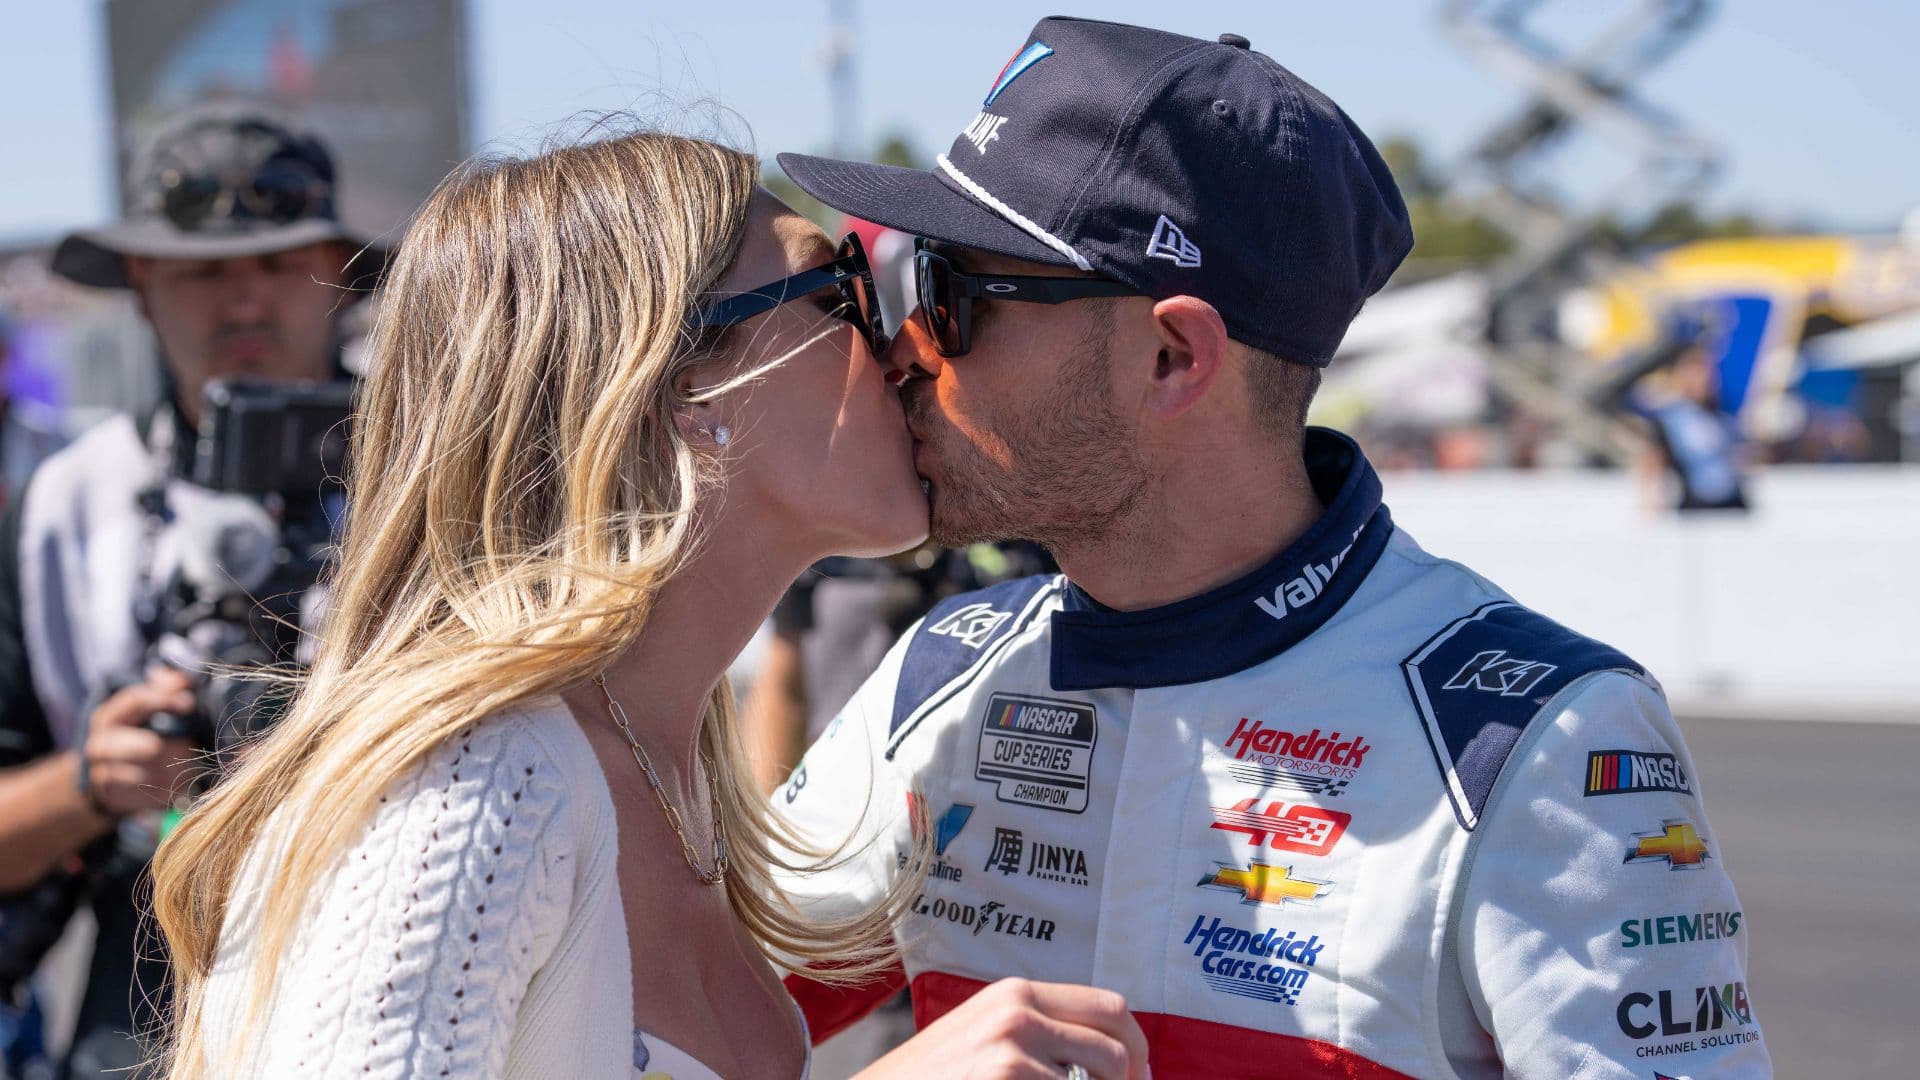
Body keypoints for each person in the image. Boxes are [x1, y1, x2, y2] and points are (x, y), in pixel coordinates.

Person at [770, 17, 1770, 1078]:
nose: (899, 348)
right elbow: (635, 1035)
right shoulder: (943, 675)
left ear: (1170, 355)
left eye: (952, 295)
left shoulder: (1535, 737)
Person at [148, 129, 1149, 1080]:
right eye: (844, 292)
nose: (906, 349)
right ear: (679, 387)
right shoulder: (473, 783)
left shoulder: (660, 763)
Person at [0, 106, 382, 1079]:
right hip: (150, 955)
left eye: (278, 263)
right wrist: (92, 780)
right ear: (141, 284)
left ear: (337, 270)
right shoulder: (64, 501)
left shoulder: (441, 471)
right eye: (205, 271)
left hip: (409, 920)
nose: (245, 303)